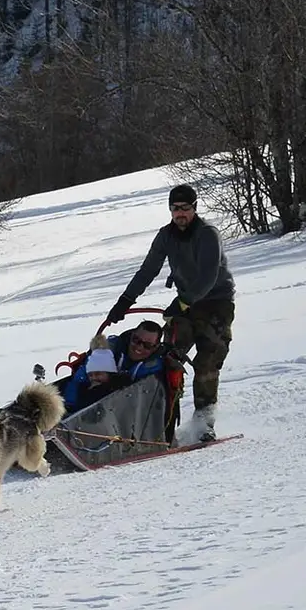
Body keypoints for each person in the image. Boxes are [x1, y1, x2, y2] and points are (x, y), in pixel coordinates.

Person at [102, 184, 234, 441]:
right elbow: (147, 270)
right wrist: (125, 300)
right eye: (175, 209)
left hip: (216, 302)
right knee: (168, 358)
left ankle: (204, 424)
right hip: (186, 304)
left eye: (185, 208)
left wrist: (184, 301)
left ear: (194, 209)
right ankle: (160, 423)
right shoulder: (166, 236)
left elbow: (209, 275)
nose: (180, 214)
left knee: (207, 362)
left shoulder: (208, 234)